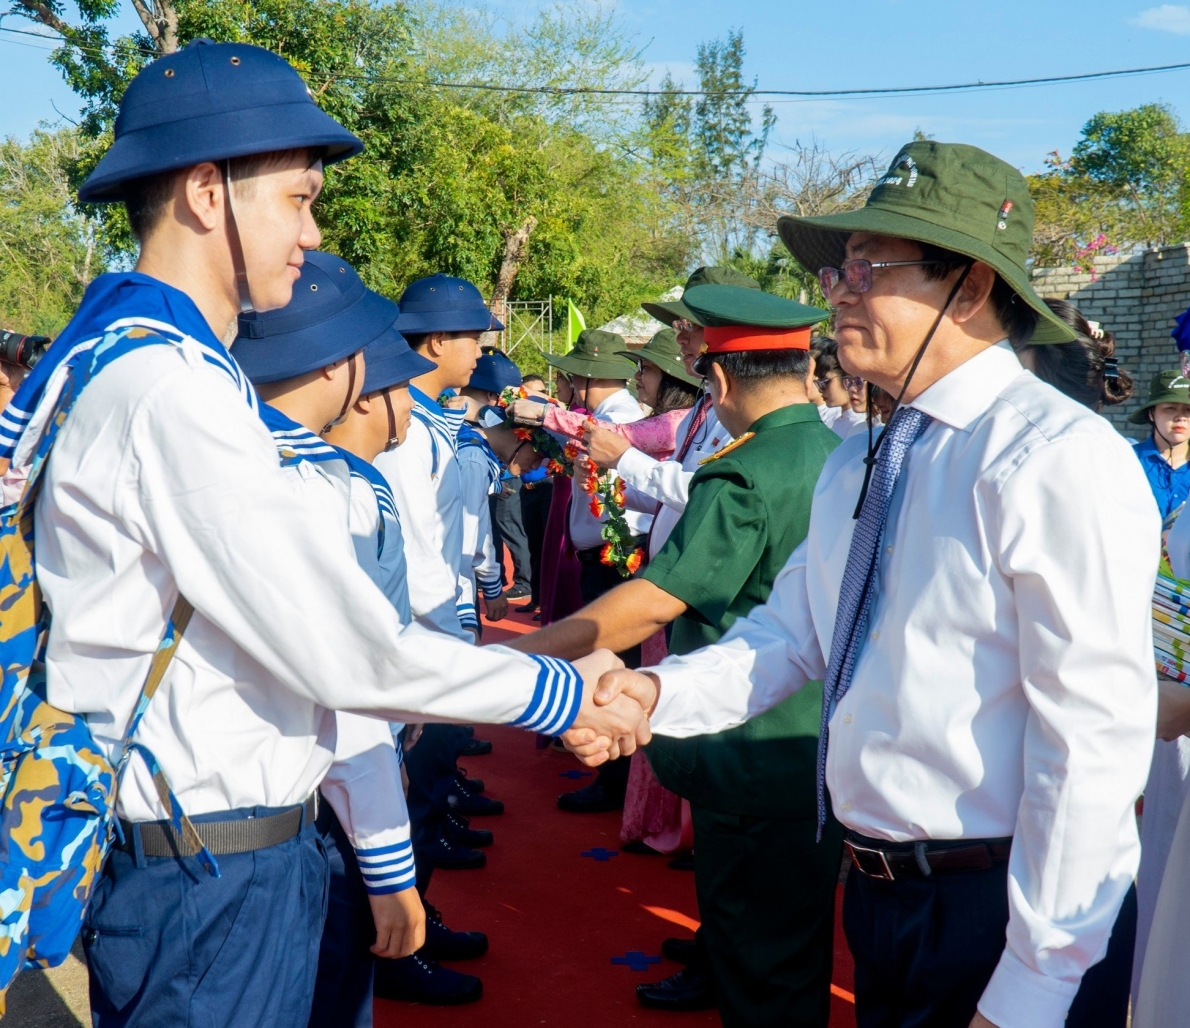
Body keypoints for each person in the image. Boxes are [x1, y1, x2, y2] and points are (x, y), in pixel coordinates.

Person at [0, 40, 631, 1026]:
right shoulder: (172, 387)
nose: (312, 229)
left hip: (207, 859)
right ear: (207, 192)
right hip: (210, 877)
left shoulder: (121, 353)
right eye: (297, 198)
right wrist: (563, 690)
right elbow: (346, 653)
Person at [577, 140, 1160, 1028]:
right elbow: (792, 635)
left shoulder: (1053, 457)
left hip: (1002, 910)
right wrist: (653, 693)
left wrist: (1034, 987)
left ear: (968, 287)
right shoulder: (865, 458)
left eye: (867, 267)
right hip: (884, 897)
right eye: (840, 270)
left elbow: (1090, 741)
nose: (838, 292)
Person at [519, 284, 842, 1024]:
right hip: (815, 744)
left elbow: (658, 600)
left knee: (754, 968)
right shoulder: (836, 451)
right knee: (793, 947)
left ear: (720, 378)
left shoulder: (744, 471)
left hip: (744, 747)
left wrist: (523, 661)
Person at [231, 252, 429, 1024]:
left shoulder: (237, 459)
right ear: (347, 374)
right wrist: (389, 863)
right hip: (284, 812)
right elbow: (348, 682)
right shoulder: (318, 490)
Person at [527, 328, 653, 813]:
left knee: (611, 667)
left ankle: (615, 781)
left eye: (570, 376)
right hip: (601, 555)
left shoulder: (618, 420)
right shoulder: (602, 416)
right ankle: (614, 778)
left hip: (615, 558)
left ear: (585, 377)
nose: (564, 383)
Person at [375, 273, 493, 641]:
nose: (479, 352)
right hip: (421, 631)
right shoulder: (406, 424)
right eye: (474, 339)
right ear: (438, 341)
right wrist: (451, 639)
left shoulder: (424, 416)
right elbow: (414, 545)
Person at [1127, 371, 1190, 519]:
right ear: (1151, 414)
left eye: (1189, 410)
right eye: (1170, 408)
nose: (1180, 417)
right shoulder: (1128, 460)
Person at [810, 336, 867, 439]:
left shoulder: (860, 424)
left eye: (826, 382)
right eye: (818, 383)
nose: (820, 389)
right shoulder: (839, 421)